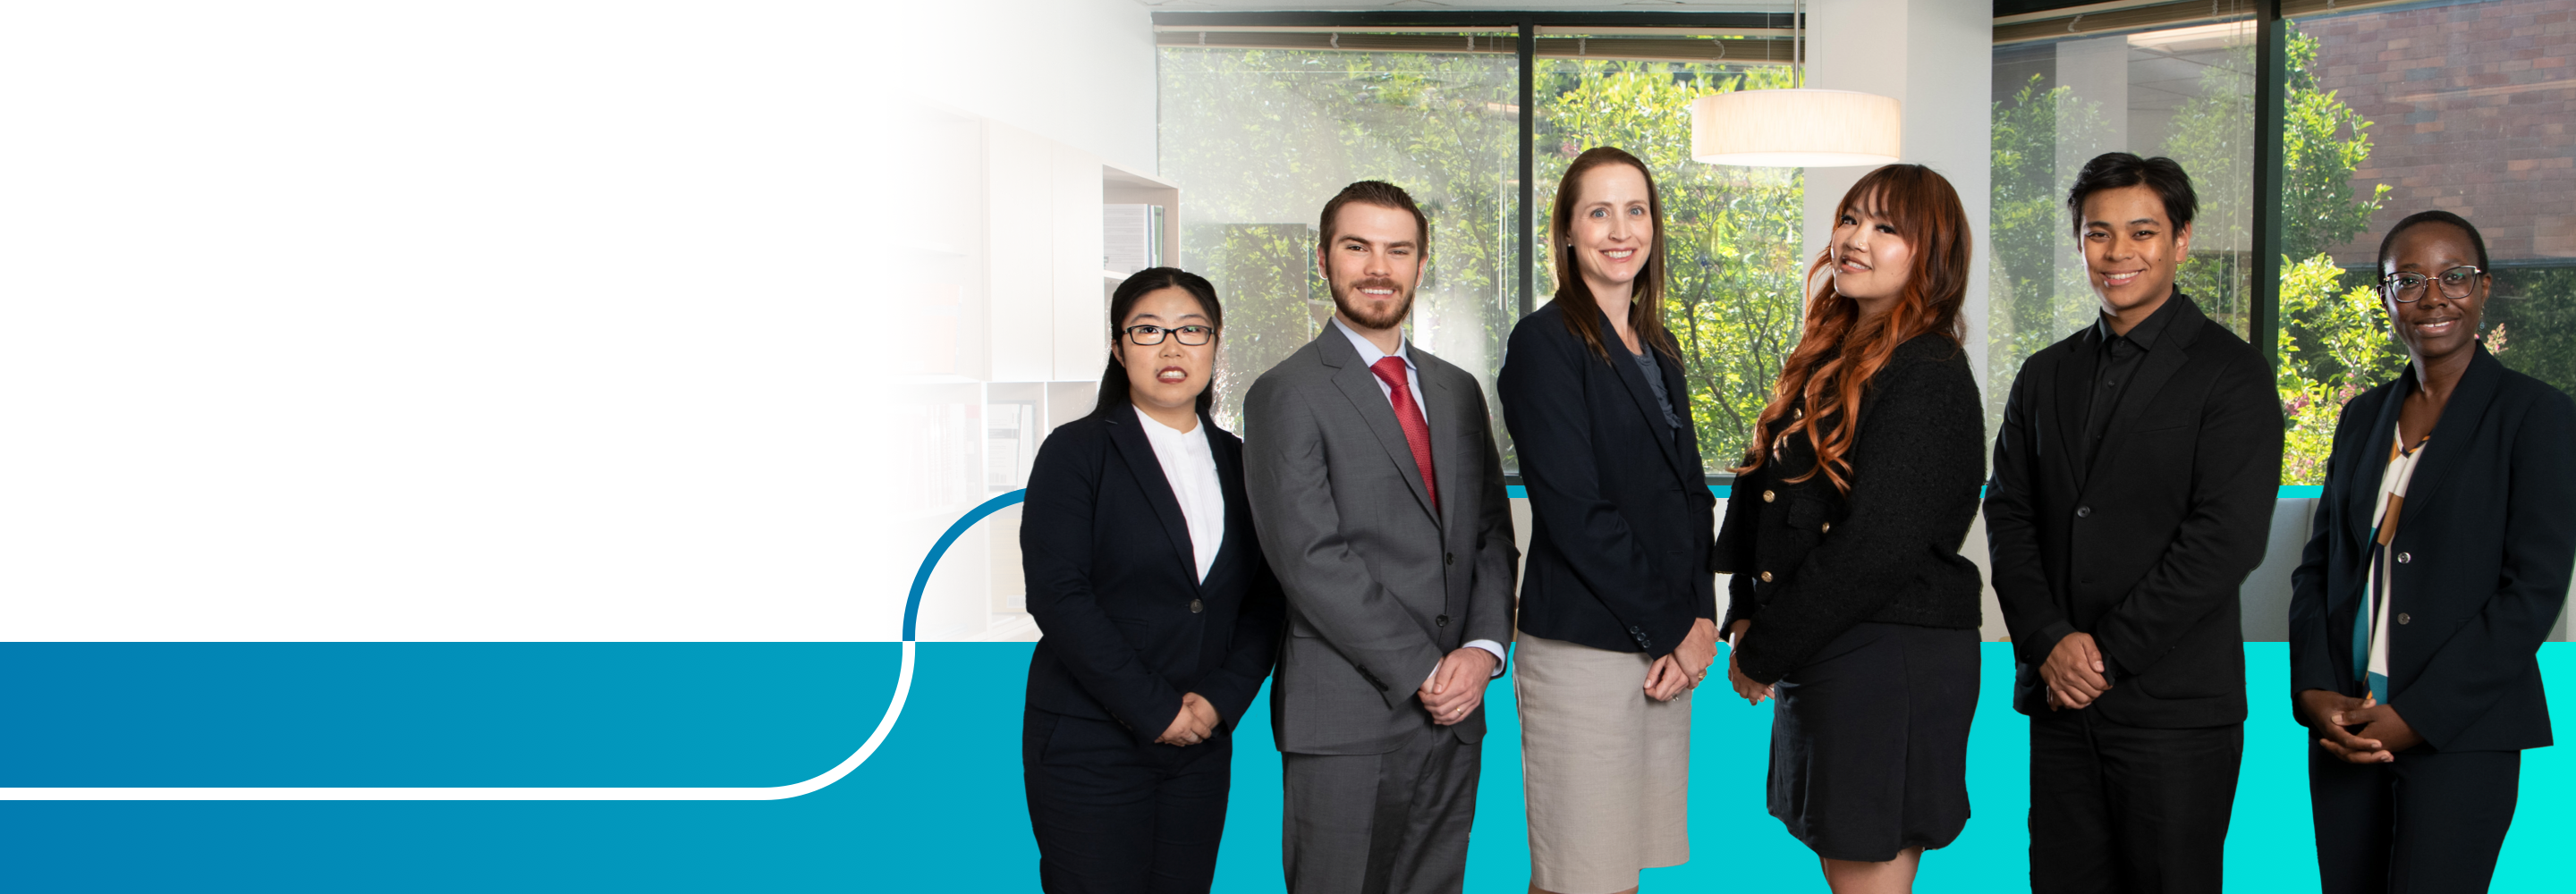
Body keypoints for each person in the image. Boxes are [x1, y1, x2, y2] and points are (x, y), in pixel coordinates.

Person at [1983, 152, 2282, 893]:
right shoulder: (2044, 374)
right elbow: (2009, 513)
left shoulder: (2233, 374)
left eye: (2142, 232)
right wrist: (2050, 643)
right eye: (2097, 234)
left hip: (2174, 709)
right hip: (2058, 703)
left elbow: (2226, 539)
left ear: (2181, 240)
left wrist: (2105, 656)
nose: (2118, 254)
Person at [1712, 163, 1987, 894]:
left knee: (1867, 878)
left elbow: (1879, 546)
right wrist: (1747, 607)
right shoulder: (1837, 356)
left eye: (1886, 227)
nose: (1855, 238)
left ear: (1930, 255)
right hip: (1841, 646)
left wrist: (1767, 649)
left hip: (1887, 656)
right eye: (1850, 218)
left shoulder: (1924, 371)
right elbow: (1776, 500)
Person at [1242, 180, 1519, 894]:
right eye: (1357, 246)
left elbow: (1490, 530)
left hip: (1456, 714)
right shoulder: (1287, 391)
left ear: (1421, 265)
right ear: (1325, 259)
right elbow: (1309, 557)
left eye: (1398, 250)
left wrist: (1483, 652)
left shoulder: (1458, 389)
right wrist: (1427, 669)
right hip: (1345, 714)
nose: (1378, 267)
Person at [2288, 211, 2576, 893]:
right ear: (2386, 296)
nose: (2433, 297)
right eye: (2408, 281)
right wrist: (2313, 693)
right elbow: (2319, 568)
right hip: (2347, 733)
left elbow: (2531, 594)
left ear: (2483, 289)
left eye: (2454, 277)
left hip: (2461, 733)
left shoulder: (2537, 416)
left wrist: (2416, 716)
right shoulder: (2363, 417)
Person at [1019, 267, 1286, 893]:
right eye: (1148, 331)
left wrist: (1220, 700)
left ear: (1216, 344)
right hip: (1089, 744)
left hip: (1198, 745)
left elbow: (1267, 601)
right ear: (1118, 348)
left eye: (1191, 330)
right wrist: (1155, 707)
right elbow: (1058, 595)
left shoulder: (1243, 462)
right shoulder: (1076, 451)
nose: (1172, 348)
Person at [1497, 146, 1719, 894]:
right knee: (1580, 876)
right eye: (1599, 211)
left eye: (1636, 210)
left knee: (1617, 871)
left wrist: (1701, 620)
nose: (1620, 229)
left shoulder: (1659, 346)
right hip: (1586, 649)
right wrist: (1673, 629)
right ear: (1565, 231)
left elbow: (1692, 496)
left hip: (1663, 643)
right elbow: (1576, 513)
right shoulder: (1544, 343)